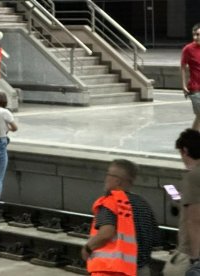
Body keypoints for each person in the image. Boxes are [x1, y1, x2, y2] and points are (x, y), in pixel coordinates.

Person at [81, 159, 160, 276]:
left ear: (118, 181)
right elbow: (156, 239)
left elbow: (106, 233)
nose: (106, 178)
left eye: (109, 174)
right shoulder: (143, 204)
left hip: (117, 270)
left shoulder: (110, 202)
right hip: (142, 269)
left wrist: (87, 248)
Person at [163, 129, 200, 275]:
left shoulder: (193, 177)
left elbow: (194, 220)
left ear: (185, 151)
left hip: (189, 254)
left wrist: (196, 260)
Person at [181, 23, 200, 131]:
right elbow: (183, 66)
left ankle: (191, 139)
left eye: (198, 35)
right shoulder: (188, 49)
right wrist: (183, 84)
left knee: (199, 117)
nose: (195, 37)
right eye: (194, 35)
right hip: (195, 88)